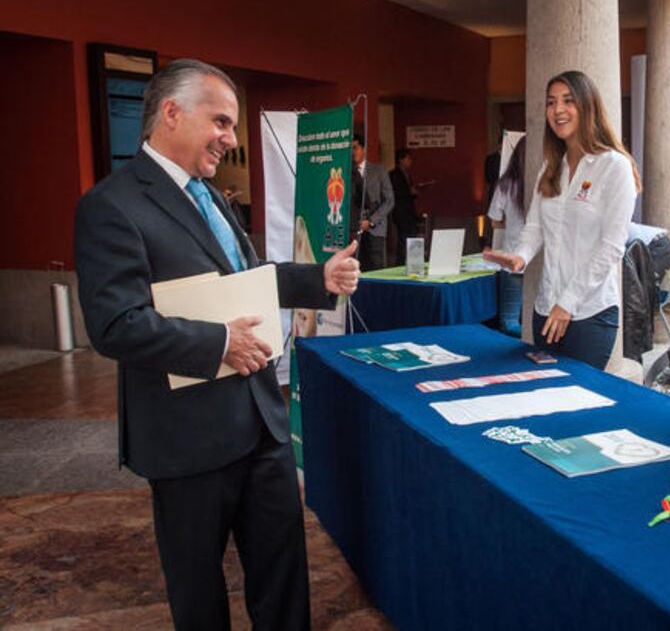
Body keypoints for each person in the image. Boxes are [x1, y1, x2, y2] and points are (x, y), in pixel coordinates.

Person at [74, 59, 361, 629]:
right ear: (172, 113)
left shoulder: (214, 199)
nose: (231, 139)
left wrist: (316, 280)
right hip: (187, 440)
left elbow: (245, 277)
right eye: (222, 122)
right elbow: (115, 324)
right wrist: (218, 342)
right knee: (198, 591)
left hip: (260, 424)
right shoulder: (111, 206)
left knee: (283, 575)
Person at [484, 70, 639, 369]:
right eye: (551, 102)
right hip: (546, 308)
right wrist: (520, 257)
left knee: (581, 402)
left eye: (568, 101)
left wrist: (567, 303)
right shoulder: (550, 167)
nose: (557, 110)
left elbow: (611, 248)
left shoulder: (614, 167)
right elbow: (535, 228)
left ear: (587, 105)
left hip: (589, 314)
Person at [486, 135, 527, 338]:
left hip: (512, 258)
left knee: (509, 320)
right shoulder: (550, 183)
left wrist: (511, 222)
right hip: (542, 262)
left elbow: (494, 220)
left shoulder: (506, 184)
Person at [352, 133, 394, 271]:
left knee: (377, 268)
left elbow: (389, 200)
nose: (352, 152)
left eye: (355, 148)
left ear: (363, 149)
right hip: (354, 229)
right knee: (356, 269)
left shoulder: (379, 170)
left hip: (376, 228)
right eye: (350, 149)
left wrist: (371, 221)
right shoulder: (346, 173)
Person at [390, 148, 419, 264]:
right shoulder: (394, 175)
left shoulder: (407, 174)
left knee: (411, 238)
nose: (410, 161)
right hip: (401, 212)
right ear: (401, 160)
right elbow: (395, 193)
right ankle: (400, 263)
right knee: (403, 240)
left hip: (410, 212)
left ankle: (412, 262)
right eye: (408, 159)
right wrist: (409, 192)